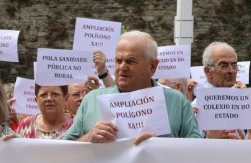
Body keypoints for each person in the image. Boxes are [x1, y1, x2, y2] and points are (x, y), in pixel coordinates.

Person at [63, 31, 201, 142]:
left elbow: (196, 151)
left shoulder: (176, 101)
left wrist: (160, 147)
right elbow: (63, 151)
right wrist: (88, 138)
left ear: (152, 66)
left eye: (130, 61)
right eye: (118, 60)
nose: (122, 67)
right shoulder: (91, 100)